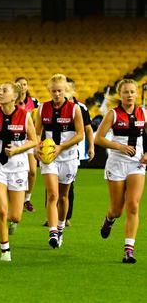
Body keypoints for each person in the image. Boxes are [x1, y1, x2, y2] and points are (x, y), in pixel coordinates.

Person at [0, 82, 37, 262]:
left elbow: (34, 140)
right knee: (2, 211)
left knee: (15, 216)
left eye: (5, 91)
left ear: (14, 97)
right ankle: (5, 248)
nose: (0, 93)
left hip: (18, 167)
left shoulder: (25, 116)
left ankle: (12, 223)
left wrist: (17, 150)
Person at [95, 79, 146, 264]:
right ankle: (109, 219)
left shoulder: (143, 113)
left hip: (136, 164)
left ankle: (129, 250)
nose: (130, 95)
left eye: (132, 91)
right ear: (120, 94)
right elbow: (98, 139)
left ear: (137, 93)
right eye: (126, 92)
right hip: (116, 163)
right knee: (117, 209)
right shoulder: (113, 114)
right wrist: (118, 146)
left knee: (133, 204)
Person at [35, 74, 84, 249]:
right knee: (53, 194)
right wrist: (36, 148)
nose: (56, 94)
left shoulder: (74, 109)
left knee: (63, 197)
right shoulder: (42, 109)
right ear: (49, 90)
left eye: (60, 91)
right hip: (49, 158)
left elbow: (80, 134)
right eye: (53, 91)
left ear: (66, 91)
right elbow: (35, 133)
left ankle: (61, 227)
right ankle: (53, 231)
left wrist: (62, 147)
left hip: (69, 157)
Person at [65, 77, 95, 225]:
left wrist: (91, 146)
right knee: (51, 184)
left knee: (69, 183)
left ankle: (66, 217)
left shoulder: (81, 108)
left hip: (74, 151)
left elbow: (88, 128)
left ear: (73, 90)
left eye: (67, 88)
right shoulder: (53, 107)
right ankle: (51, 216)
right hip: (54, 152)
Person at [16, 77, 39, 213]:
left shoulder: (34, 102)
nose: (22, 87)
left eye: (24, 84)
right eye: (19, 84)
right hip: (17, 140)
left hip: (29, 139)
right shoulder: (12, 102)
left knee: (32, 171)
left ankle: (27, 199)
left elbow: (37, 120)